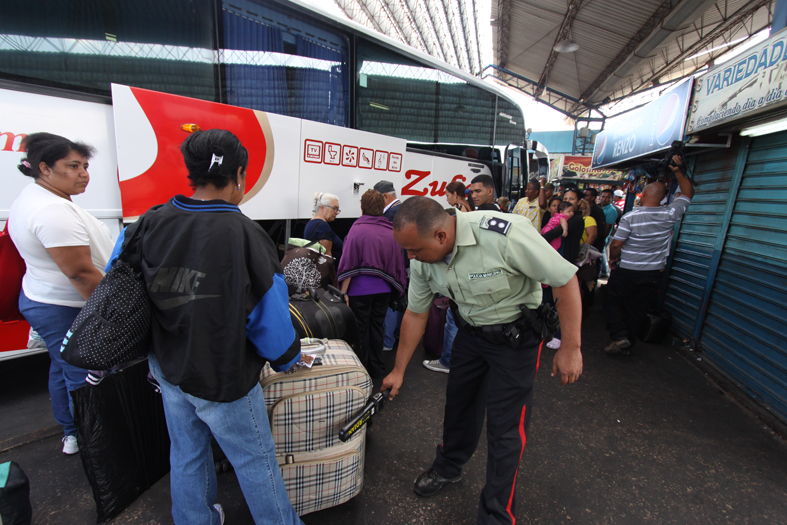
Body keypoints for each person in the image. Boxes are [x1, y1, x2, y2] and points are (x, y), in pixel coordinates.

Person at [107, 129, 304, 525]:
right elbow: (268, 318)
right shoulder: (247, 235)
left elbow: (118, 283)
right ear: (241, 175)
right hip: (223, 375)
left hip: (167, 367)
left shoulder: (147, 223)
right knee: (255, 460)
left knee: (186, 452)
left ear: (191, 173)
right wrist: (289, 359)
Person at [382, 197, 583, 524]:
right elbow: (416, 313)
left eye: (414, 250)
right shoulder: (422, 259)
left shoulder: (504, 234)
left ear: (441, 237)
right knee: (459, 406)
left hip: (516, 343)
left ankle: (496, 515)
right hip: (471, 336)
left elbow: (564, 279)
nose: (410, 258)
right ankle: (449, 467)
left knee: (506, 430)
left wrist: (571, 347)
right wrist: (399, 370)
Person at [9, 132, 115, 455]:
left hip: (42, 297)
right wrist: (113, 311)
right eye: (73, 166)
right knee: (80, 372)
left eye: (85, 165)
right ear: (44, 168)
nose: (84, 173)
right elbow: (80, 273)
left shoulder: (34, 196)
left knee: (61, 364)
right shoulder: (51, 212)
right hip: (62, 305)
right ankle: (92, 440)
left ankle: (71, 430)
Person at [604, 156, 693, 355]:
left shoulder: (631, 217)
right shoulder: (670, 214)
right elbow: (687, 193)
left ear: (642, 194)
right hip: (653, 273)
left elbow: (617, 244)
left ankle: (619, 336)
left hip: (627, 269)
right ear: (662, 198)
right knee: (638, 307)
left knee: (612, 302)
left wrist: (612, 259)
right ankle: (629, 340)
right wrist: (678, 172)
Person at [338, 190, 406, 379]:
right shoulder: (391, 230)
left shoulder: (357, 228)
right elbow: (397, 263)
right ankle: (377, 369)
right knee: (378, 327)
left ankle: (360, 370)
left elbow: (348, 261)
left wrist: (343, 292)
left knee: (360, 329)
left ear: (362, 207)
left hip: (359, 291)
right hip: (384, 290)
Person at [304, 192, 343, 262]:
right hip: (324, 271)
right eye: (334, 208)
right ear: (322, 207)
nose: (337, 212)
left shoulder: (310, 223)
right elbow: (327, 258)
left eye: (337, 209)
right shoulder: (323, 226)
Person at [599, 189, 620, 278]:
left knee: (601, 253)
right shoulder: (601, 207)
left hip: (605, 236)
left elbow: (607, 227)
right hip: (602, 236)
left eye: (608, 197)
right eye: (603, 197)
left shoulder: (611, 210)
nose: (604, 199)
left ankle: (604, 272)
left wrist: (602, 239)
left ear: (612, 199)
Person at [582, 187, 607, 253]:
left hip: (593, 246)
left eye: (586, 195)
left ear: (593, 198)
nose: (584, 197)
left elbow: (600, 231)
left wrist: (585, 249)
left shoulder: (598, 211)